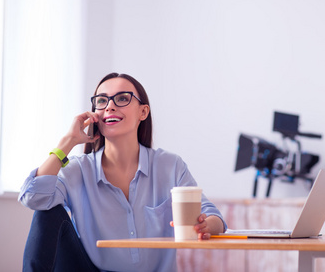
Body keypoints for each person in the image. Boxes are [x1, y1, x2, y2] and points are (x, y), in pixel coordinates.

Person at [19, 73, 226, 272]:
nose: (110, 106)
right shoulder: (77, 169)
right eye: (102, 101)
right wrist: (68, 141)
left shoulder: (170, 166)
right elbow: (34, 198)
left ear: (143, 112)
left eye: (122, 98)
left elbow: (215, 217)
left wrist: (206, 226)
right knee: (47, 209)